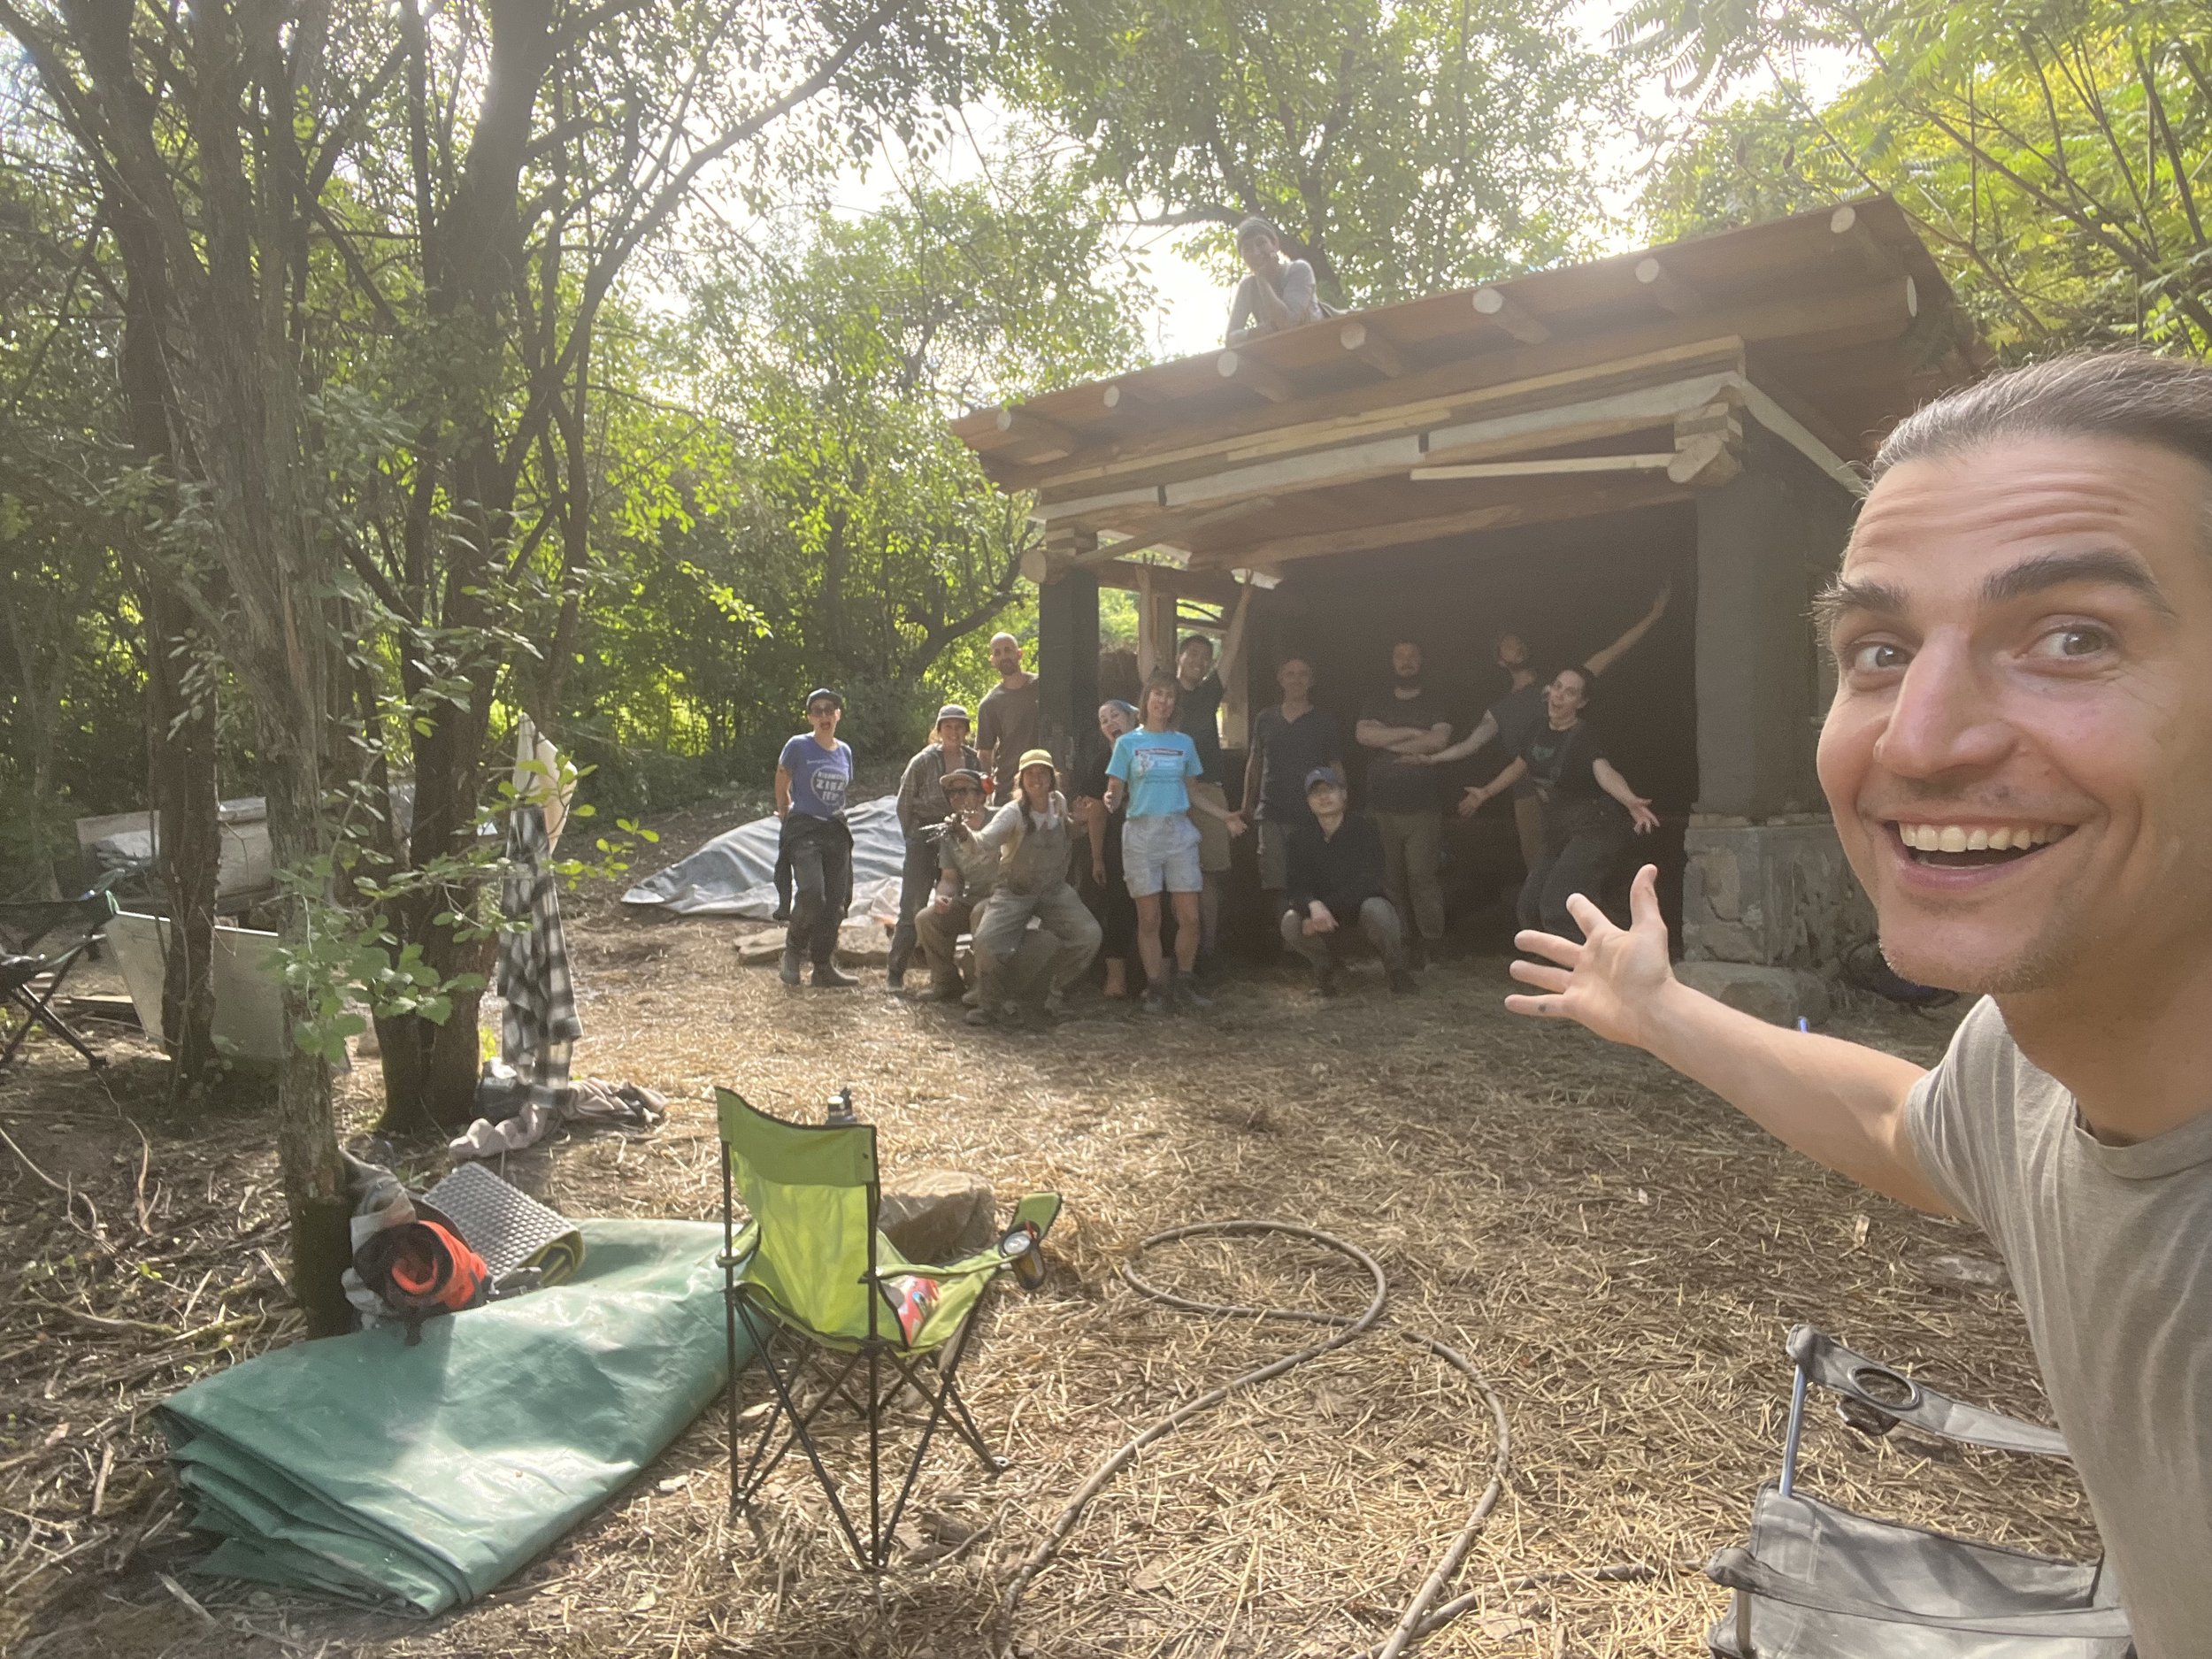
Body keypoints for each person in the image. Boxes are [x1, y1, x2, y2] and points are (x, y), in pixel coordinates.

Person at [1507, 350, 2212, 1655]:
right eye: (1879, 651)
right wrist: (1659, 1009)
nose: (1919, 739)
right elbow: (1910, 1125)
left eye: (2073, 637)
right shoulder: (2032, 1049)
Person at [1421, 585, 1671, 873]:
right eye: (1509, 644)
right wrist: (1431, 759)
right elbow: (1470, 745)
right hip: (1528, 797)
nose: (1517, 646)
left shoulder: (1562, 685)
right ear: (1500, 660)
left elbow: (1609, 654)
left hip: (1569, 792)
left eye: (1519, 641)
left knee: (1576, 866)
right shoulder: (1502, 709)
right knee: (1540, 868)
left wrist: (1653, 617)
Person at [1460, 664, 1660, 941]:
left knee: (1557, 906)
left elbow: (1604, 771)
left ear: (1582, 702)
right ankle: (1548, 964)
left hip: (1593, 830)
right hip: (1558, 831)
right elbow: (1519, 766)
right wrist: (1485, 793)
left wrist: (1629, 801)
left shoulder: (1583, 737)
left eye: (1570, 692)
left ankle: (1595, 959)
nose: (1559, 696)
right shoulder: (1537, 729)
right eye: (1557, 687)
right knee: (1529, 909)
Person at [1108, 674, 1247, 1013]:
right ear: (1147, 699)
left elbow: (1193, 792)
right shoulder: (1127, 743)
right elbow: (1115, 789)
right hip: (1142, 834)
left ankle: (1184, 983)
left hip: (1178, 831)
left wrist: (1225, 816)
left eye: (1170, 696)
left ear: (1175, 705)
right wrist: (1111, 798)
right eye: (1158, 694)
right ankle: (1156, 988)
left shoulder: (1184, 743)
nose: (1164, 701)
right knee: (1149, 919)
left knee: (1190, 917)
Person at [969, 750, 1102, 1029]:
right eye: (1030, 773)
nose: (1037, 779)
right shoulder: (1012, 813)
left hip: (1053, 890)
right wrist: (964, 834)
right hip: (1015, 892)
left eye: (1043, 773)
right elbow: (984, 842)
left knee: (1088, 935)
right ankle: (989, 1004)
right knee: (986, 942)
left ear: (1053, 778)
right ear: (1021, 780)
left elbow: (1068, 832)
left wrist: (1080, 822)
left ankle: (1053, 992)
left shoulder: (1059, 803)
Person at [1171, 584, 1252, 972]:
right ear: (1179, 657)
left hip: (1209, 791)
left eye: (1206, 657)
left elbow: (1231, 648)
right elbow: (1147, 651)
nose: (1200, 661)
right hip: (1170, 793)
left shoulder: (1209, 694)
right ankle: (1177, 951)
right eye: (1193, 654)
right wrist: (1147, 587)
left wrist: (1245, 599)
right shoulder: (1163, 695)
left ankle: (1209, 951)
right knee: (1174, 875)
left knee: (1210, 876)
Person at [1356, 641, 1453, 964]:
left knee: (1423, 878)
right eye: (1400, 656)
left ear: (1421, 661)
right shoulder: (1376, 699)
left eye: (1412, 656)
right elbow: (1363, 736)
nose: (1406, 661)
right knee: (1390, 880)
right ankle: (1401, 942)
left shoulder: (1435, 701)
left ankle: (1433, 942)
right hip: (1380, 806)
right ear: (1392, 661)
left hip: (1423, 807)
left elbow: (1438, 741)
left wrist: (1387, 737)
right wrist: (1413, 733)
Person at [1280, 767, 1415, 997]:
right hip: (1322, 922)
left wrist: (1325, 908)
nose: (1323, 797)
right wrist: (1311, 905)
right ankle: (1326, 970)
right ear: (1308, 802)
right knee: (1290, 922)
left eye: (1329, 790)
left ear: (1344, 795)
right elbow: (1296, 884)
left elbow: (1368, 882)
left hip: (1360, 916)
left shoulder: (1365, 830)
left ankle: (1397, 970)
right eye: (1316, 793)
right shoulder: (1298, 838)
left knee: (1378, 908)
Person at [1241, 655, 1345, 936]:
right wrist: (1247, 803)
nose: (1296, 679)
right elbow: (1255, 762)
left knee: (1310, 878)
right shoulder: (1265, 718)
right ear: (1280, 679)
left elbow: (1335, 764)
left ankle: (1313, 939)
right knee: (1275, 880)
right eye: (1290, 674)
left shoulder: (1324, 720)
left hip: (1312, 812)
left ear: (1311, 681)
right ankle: (1287, 941)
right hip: (1271, 810)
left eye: (1302, 674)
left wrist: (1340, 800)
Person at [887, 703, 979, 991]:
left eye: (959, 727)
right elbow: (904, 802)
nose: (954, 732)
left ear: (966, 730)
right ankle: (895, 972)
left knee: (949, 903)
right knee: (913, 904)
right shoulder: (923, 761)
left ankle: (943, 975)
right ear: (939, 730)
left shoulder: (974, 760)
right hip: (924, 835)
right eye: (948, 727)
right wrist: (913, 837)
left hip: (957, 834)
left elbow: (980, 797)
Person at [774, 688, 858, 988]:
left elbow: (842, 791)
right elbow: (782, 780)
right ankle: (792, 953)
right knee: (811, 892)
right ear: (810, 717)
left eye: (829, 710)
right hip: (804, 828)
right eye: (817, 710)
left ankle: (822, 967)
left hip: (835, 830)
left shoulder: (844, 751)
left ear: (838, 715)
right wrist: (785, 812)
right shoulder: (798, 746)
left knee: (836, 901)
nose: (824, 716)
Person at [911, 768, 999, 1002]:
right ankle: (946, 981)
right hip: (972, 897)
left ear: (981, 795)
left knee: (980, 913)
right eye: (952, 793)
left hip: (1002, 897)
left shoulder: (1000, 819)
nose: (957, 797)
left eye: (964, 791)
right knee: (926, 919)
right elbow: (949, 878)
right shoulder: (950, 831)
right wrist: (942, 897)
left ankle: (983, 985)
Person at [1076, 700, 1141, 999]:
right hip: (1117, 845)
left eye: (1115, 715)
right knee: (1118, 907)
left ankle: (1158, 980)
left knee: (1158, 908)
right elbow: (1096, 813)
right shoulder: (1102, 760)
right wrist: (1097, 857)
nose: (1110, 723)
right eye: (1103, 720)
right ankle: (1116, 979)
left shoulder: (1151, 749)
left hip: (1155, 841)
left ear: (1132, 718)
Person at [1225, 217, 1325, 344]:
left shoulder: (1299, 270)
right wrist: (1253, 333)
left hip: (1317, 344)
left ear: (1275, 244)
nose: (1256, 253)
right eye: (1248, 249)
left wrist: (1262, 280)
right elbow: (1230, 338)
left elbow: (1287, 323)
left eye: (1261, 243)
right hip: (1280, 352)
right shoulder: (1247, 287)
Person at [976, 632, 1041, 804]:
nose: (1003, 656)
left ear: (1019, 653)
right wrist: (984, 791)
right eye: (997, 653)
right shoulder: (989, 704)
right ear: (992, 660)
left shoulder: (1042, 686)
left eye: (1008, 650)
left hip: (1044, 780)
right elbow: (985, 754)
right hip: (1008, 786)